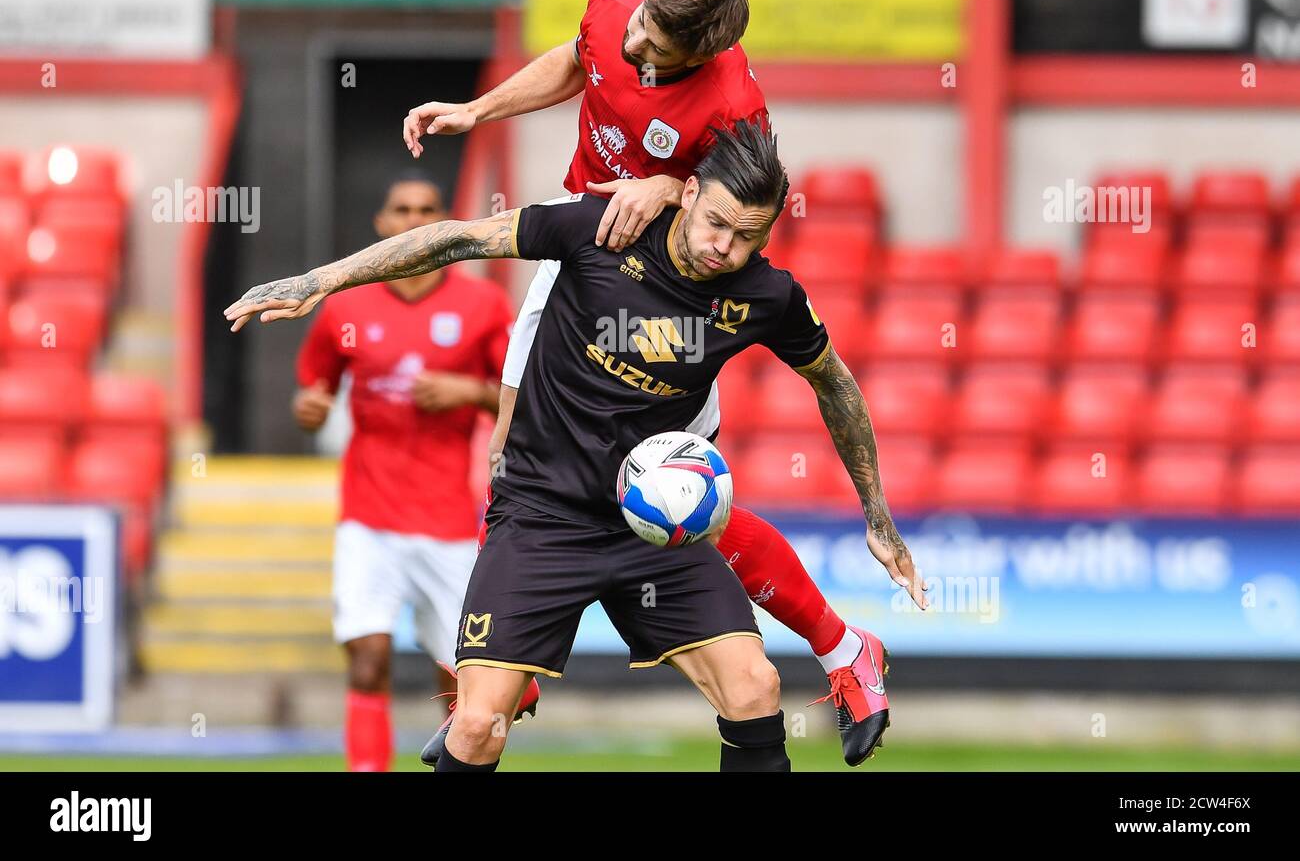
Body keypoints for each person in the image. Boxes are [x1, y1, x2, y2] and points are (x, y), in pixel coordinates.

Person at [226, 118, 928, 773]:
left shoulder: (764, 295)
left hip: (651, 529)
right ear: (687, 192)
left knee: (754, 685)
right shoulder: (600, 231)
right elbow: (458, 239)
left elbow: (834, 384)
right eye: (716, 223)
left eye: (748, 237)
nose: (725, 248)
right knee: (474, 727)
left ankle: (841, 653)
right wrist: (317, 282)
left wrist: (878, 515)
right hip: (542, 516)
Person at [403, 0, 905, 766]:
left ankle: (844, 649)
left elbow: (748, 196)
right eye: (640, 28)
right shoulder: (618, 5)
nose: (637, 43)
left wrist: (671, 184)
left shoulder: (737, 111)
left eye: (659, 46)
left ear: (699, 59)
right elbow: (577, 61)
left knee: (670, 493)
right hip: (583, 259)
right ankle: (509, 669)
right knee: (509, 454)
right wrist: (478, 110)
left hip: (676, 304)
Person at [291, 176, 519, 771]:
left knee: (476, 686)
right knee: (368, 659)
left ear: (445, 221)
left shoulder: (484, 305)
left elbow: (529, 400)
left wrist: (470, 390)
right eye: (402, 209)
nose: (414, 218)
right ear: (382, 223)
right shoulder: (344, 306)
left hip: (447, 519)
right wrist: (309, 409)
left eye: (427, 209)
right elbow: (313, 393)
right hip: (368, 516)